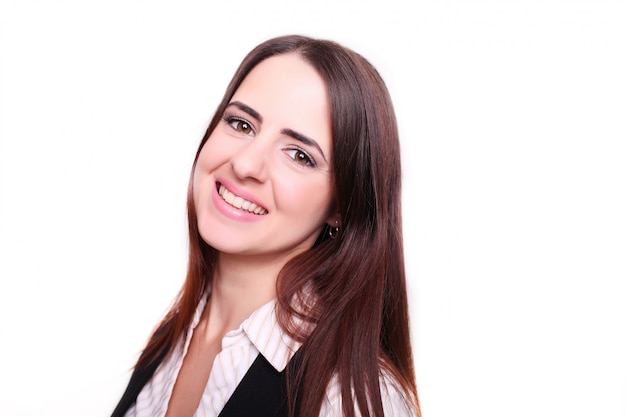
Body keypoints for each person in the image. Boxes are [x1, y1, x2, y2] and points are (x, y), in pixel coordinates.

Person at [111, 34, 420, 417]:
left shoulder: (346, 398)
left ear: (341, 207)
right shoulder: (172, 338)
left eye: (299, 155)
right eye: (241, 124)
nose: (245, 165)